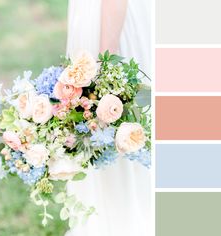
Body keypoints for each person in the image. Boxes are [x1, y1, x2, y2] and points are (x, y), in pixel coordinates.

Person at [66, 0, 151, 235]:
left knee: (113, 119)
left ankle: (122, 219)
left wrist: (106, 60)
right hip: (98, 17)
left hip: (109, 23)